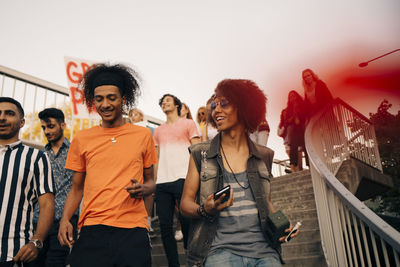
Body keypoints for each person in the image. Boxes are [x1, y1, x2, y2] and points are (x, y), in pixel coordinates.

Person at [180, 79, 298, 267]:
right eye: (213, 104)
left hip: (265, 250)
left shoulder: (264, 155)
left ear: (244, 107)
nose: (216, 110)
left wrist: (282, 224)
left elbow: (265, 201)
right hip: (219, 250)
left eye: (224, 103)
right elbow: (185, 204)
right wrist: (205, 209)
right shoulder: (200, 153)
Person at [58, 64, 157, 267]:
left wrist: (144, 189)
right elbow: (76, 188)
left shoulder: (143, 135)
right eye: (99, 99)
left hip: (133, 230)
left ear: (124, 100)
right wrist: (65, 220)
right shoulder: (82, 138)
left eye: (112, 98)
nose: (105, 104)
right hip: (92, 228)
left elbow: (151, 183)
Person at [0, 97, 55, 267]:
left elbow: (46, 204)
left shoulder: (37, 157)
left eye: (9, 113)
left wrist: (36, 241)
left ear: (22, 122)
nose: (2, 117)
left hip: (14, 253)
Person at [154, 94, 200, 267]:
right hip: (163, 182)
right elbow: (157, 158)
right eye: (162, 101)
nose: (164, 102)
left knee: (187, 219)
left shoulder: (188, 124)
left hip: (184, 178)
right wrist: (155, 180)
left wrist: (197, 177)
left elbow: (196, 150)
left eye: (167, 100)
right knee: (165, 226)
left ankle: (191, 256)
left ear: (176, 104)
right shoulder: (158, 130)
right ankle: (173, 264)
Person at [32, 108, 78, 267]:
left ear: (63, 125)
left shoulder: (76, 152)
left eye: (50, 126)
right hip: (39, 222)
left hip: (65, 220)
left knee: (56, 263)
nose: (46, 131)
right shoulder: (40, 156)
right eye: (44, 127)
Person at [128, 107, 156, 238]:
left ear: (141, 116)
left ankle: (148, 221)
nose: (133, 116)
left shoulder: (149, 129)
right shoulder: (127, 128)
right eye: (131, 114)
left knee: (148, 191)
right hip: (133, 164)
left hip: (147, 162)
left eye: (135, 114)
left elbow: (154, 147)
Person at [281, 91, 306, 173]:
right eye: (290, 97)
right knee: (293, 148)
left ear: (297, 96)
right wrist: (292, 117)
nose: (292, 98)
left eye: (293, 96)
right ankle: (292, 166)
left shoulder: (302, 105)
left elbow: (305, 116)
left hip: (302, 128)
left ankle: (308, 164)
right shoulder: (288, 110)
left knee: (305, 147)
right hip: (294, 130)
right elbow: (286, 121)